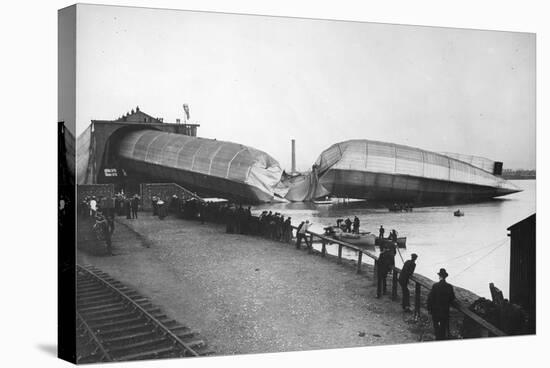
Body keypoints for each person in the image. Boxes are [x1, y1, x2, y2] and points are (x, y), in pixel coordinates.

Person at [427, 268, 456, 340]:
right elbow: (452, 298)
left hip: (435, 310)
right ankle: (441, 339)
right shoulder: (449, 287)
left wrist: (429, 308)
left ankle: (437, 338)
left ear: (439, 276)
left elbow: (430, 298)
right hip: (445, 311)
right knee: (443, 327)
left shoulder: (435, 286)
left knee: (436, 326)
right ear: (445, 277)